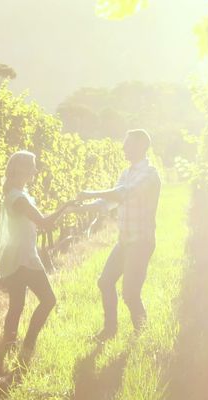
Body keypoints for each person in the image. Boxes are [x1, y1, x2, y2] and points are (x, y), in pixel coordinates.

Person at [77, 129, 162, 340]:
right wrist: (78, 207)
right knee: (105, 282)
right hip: (125, 241)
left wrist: (92, 192)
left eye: (128, 144)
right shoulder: (127, 173)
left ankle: (141, 334)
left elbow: (123, 193)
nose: (123, 148)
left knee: (130, 294)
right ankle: (110, 330)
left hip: (141, 242)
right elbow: (110, 201)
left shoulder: (150, 174)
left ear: (141, 146)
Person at [0, 150, 77, 357]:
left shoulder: (16, 194)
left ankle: (9, 348)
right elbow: (44, 223)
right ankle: (27, 347)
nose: (36, 170)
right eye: (33, 165)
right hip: (23, 257)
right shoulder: (18, 198)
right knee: (48, 300)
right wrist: (65, 207)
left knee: (17, 305)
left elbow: (33, 224)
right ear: (22, 169)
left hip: (14, 256)